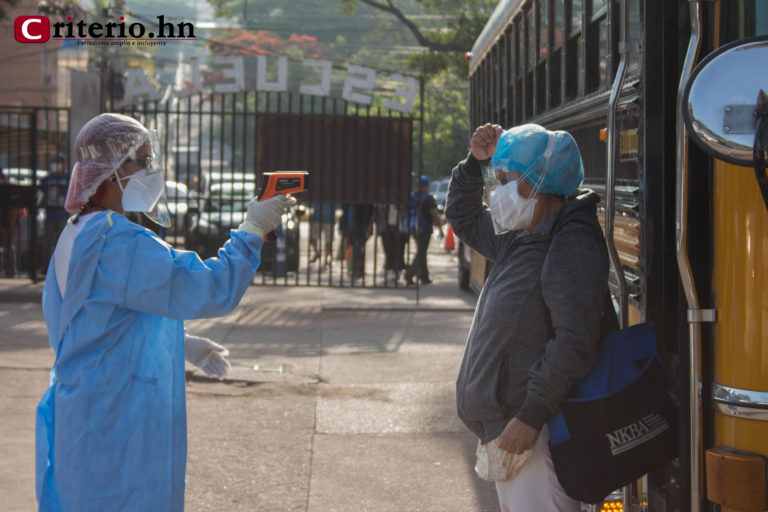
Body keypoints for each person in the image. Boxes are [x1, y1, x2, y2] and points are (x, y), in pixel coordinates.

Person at [35, 113, 294, 510]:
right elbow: (211, 287)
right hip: (116, 430)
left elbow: (94, 322)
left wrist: (181, 342)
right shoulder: (117, 243)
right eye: (143, 160)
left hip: (86, 416)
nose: (152, 171)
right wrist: (253, 229)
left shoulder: (78, 231)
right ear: (112, 171)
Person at [445, 123, 609, 511]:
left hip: (533, 434)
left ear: (538, 182)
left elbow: (574, 340)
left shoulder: (569, 242)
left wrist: (530, 416)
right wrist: (475, 164)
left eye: (505, 180)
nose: (497, 191)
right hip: (510, 430)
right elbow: (463, 217)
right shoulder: (521, 235)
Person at [404, 175, 443, 285]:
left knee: (422, 251)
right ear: (426, 186)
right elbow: (434, 215)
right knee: (421, 252)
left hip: (413, 228)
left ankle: (424, 275)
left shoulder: (413, 196)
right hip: (424, 229)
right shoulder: (428, 198)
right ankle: (409, 274)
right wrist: (440, 229)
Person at [39, 153, 70, 270]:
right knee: (47, 243)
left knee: (63, 243)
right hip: (50, 215)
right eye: (53, 162)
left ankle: (62, 268)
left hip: (63, 215)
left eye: (58, 162)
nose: (55, 165)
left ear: (64, 164)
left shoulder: (68, 178)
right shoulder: (47, 179)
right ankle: (45, 268)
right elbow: (40, 195)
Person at [308, 201, 335, 266]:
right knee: (327, 240)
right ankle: (324, 258)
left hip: (319, 217)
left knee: (315, 237)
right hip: (326, 217)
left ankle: (318, 254)